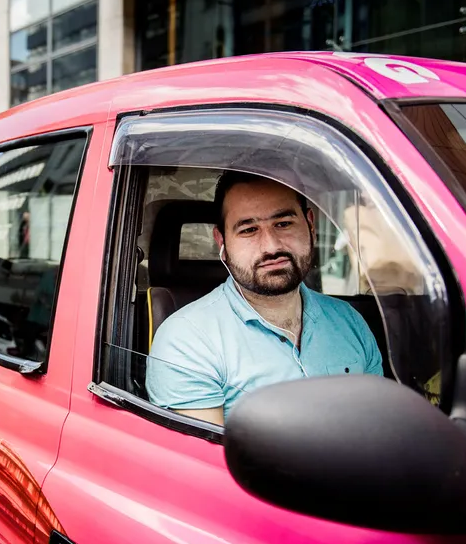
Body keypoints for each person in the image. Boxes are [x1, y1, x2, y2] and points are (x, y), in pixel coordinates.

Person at [146, 172, 383, 426]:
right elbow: (201, 463)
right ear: (221, 243)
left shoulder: (349, 321)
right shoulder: (187, 341)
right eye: (249, 230)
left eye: (283, 224)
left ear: (310, 226)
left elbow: (380, 429)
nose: (270, 247)